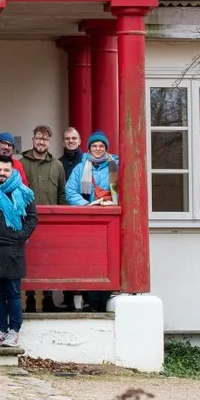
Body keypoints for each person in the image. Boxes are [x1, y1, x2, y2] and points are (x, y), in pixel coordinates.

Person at [0, 155, 38, 348]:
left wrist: (20, 236)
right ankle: (0, 329)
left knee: (12, 293)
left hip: (12, 249)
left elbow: (31, 218)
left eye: (6, 170)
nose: (2, 173)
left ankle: (14, 330)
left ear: (13, 171)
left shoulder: (23, 192)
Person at [66, 130, 118, 312]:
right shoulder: (81, 168)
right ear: (88, 148)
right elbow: (70, 191)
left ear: (106, 148)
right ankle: (90, 299)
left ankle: (104, 297)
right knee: (89, 258)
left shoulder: (115, 166)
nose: (97, 149)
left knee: (107, 258)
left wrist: (112, 202)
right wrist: (86, 206)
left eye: (101, 146)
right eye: (94, 146)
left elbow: (123, 189)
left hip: (109, 217)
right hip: (88, 218)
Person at [19, 125, 67, 313]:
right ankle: (29, 297)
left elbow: (62, 193)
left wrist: (62, 217)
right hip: (26, 219)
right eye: (38, 138)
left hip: (51, 220)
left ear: (49, 142)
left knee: (48, 258)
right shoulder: (21, 163)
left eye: (45, 139)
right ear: (33, 140)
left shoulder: (57, 165)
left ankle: (47, 297)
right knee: (29, 258)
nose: (41, 142)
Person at [58, 126, 85, 311]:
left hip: (82, 213)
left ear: (80, 141)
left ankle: (86, 298)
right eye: (67, 138)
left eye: (74, 138)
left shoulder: (86, 161)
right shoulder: (58, 163)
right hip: (64, 214)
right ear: (63, 141)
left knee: (82, 257)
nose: (71, 141)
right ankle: (67, 297)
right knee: (65, 257)